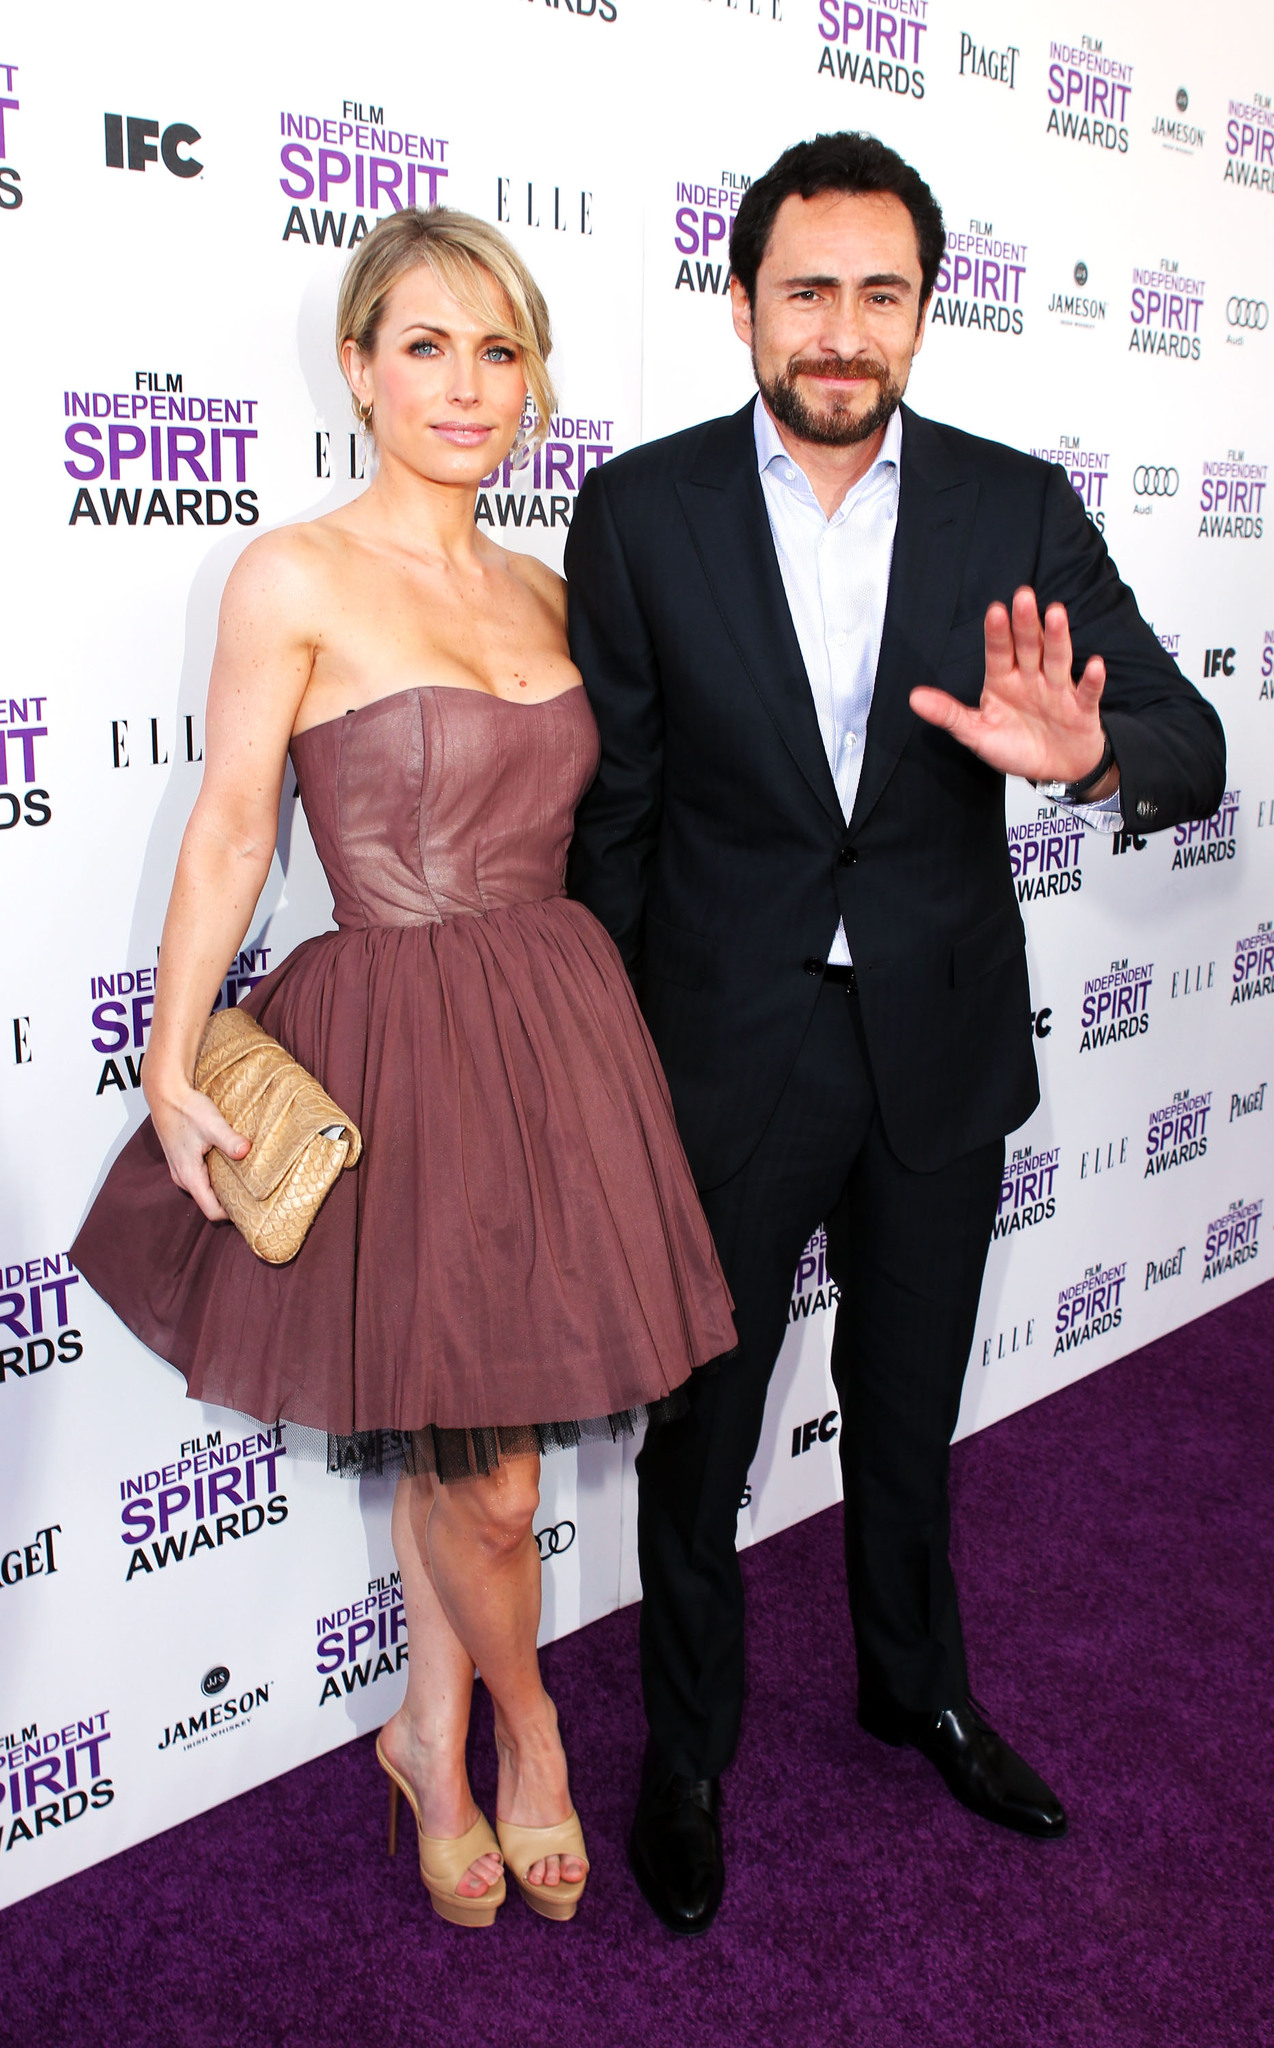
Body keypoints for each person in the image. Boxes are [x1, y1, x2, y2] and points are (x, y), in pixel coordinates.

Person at [564, 131, 1225, 1934]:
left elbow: (1187, 739)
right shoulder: (639, 512)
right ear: (742, 305)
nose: (840, 331)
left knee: (908, 1406)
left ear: (926, 311)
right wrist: (613, 1079)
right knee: (699, 1434)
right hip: (717, 1055)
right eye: (805, 291)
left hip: (934, 1042)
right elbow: (613, 822)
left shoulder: (1015, 507)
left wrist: (1080, 754)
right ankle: (686, 1748)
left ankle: (910, 1682)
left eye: (879, 293)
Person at [72, 208, 734, 1930]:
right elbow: (231, 830)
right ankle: (537, 1735)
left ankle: (423, 1736)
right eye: (425, 345)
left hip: (558, 1032)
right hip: (394, 1045)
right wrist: (168, 1047)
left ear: (534, 383)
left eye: (499, 350)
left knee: (471, 1444)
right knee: (488, 1472)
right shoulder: (290, 572)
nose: (465, 383)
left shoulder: (548, 587)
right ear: (356, 366)